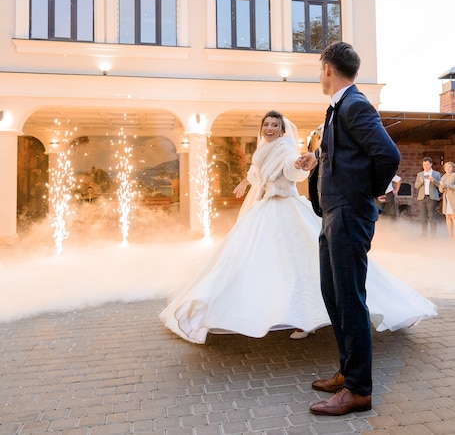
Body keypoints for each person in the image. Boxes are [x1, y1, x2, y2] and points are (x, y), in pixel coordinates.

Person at [159, 108, 435, 349]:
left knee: (299, 262)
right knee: (255, 262)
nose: (269, 128)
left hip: (285, 206)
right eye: (266, 124)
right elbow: (257, 174)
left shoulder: (285, 149)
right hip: (265, 208)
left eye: (274, 125)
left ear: (281, 130)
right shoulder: (261, 150)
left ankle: (306, 319)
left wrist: (297, 164)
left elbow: (294, 173)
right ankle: (263, 309)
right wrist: (246, 183)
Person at [297, 41, 402, 417]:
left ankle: (359, 389)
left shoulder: (355, 104)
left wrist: (366, 194)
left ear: (327, 68)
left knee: (350, 299)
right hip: (332, 215)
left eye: (318, 67)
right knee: (334, 295)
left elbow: (388, 155)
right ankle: (347, 370)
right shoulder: (339, 108)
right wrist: (318, 156)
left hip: (348, 214)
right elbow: (344, 149)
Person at [415, 157, 441, 237]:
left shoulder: (436, 174)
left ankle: (433, 234)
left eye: (427, 164)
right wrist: (421, 182)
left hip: (432, 197)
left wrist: (433, 180)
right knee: (423, 216)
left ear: (431, 164)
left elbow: (440, 186)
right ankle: (424, 233)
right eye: (424, 164)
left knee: (432, 216)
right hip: (422, 198)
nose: (425, 166)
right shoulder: (420, 174)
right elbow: (416, 186)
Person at [439, 161, 455, 239]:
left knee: (453, 216)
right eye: (446, 167)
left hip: (453, 198)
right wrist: (441, 187)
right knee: (448, 216)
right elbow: (441, 191)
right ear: (444, 168)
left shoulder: (454, 176)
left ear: (452, 168)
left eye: (450, 167)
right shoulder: (443, 177)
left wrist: (448, 185)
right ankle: (450, 234)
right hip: (446, 199)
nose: (448, 168)